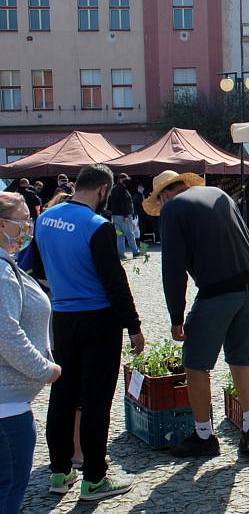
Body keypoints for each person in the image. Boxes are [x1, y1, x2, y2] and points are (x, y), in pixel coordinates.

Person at [31, 164, 145, 501]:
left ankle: (59, 471)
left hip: (62, 318)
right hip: (98, 319)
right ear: (103, 190)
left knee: (63, 394)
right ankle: (94, 478)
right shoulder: (98, 226)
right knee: (96, 400)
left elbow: (40, 271)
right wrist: (134, 325)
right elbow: (114, 282)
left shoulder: (45, 219)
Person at [142, 170, 249, 456]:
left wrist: (176, 317)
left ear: (165, 195)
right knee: (241, 360)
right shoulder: (219, 194)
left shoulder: (174, 208)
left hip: (217, 290)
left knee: (196, 365)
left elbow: (173, 269)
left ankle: (204, 435)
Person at [0, 192, 61, 513]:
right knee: (8, 489)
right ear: (2, 224)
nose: (29, 227)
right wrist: (44, 369)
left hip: (10, 401)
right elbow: (5, 333)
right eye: (24, 220)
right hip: (6, 406)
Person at [109, 173, 140, 259]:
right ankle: (135, 251)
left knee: (119, 236)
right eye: (125, 179)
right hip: (124, 217)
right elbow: (124, 203)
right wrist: (125, 215)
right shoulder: (122, 189)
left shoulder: (113, 189)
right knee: (129, 234)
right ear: (121, 179)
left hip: (116, 216)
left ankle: (121, 254)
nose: (127, 181)